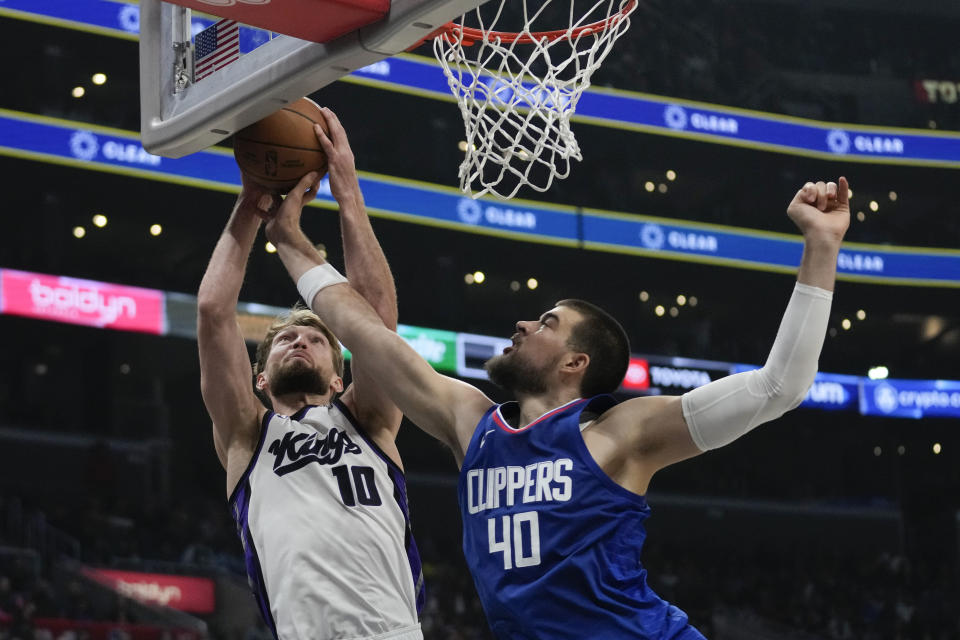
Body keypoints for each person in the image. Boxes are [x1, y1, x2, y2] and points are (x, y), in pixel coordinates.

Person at [266, 110, 849, 638]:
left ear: (577, 362)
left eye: (547, 322)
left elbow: (781, 386)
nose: (522, 324)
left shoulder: (621, 434)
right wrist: (295, 240)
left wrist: (821, 247)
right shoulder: (473, 424)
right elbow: (369, 336)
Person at [196, 110, 424, 640]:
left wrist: (347, 187)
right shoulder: (245, 437)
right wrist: (250, 203)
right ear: (259, 379)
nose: (300, 340)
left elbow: (377, 318)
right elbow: (212, 311)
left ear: (340, 378)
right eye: (284, 342)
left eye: (318, 340)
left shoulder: (369, 420)